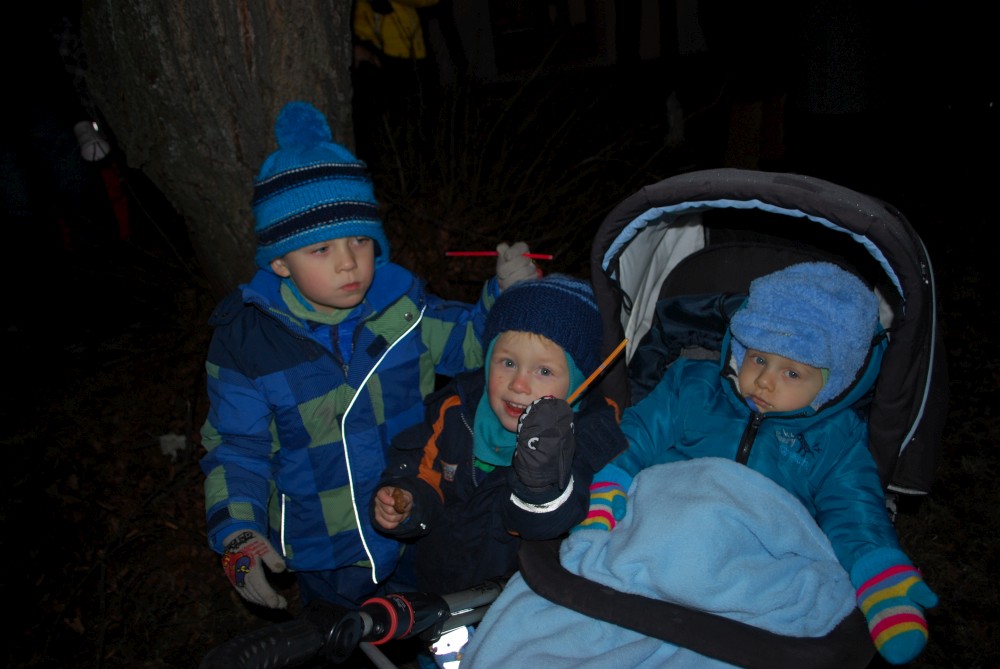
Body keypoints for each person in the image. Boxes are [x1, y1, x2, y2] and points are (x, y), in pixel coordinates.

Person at [199, 100, 538, 612]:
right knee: (348, 642)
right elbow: (236, 450)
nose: (348, 263)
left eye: (360, 240)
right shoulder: (247, 344)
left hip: (418, 525)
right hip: (323, 554)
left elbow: (473, 345)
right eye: (321, 249)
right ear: (280, 262)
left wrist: (505, 296)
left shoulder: (403, 308)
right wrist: (238, 535)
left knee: (434, 630)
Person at [588, 261, 938, 666]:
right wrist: (610, 481)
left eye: (792, 372)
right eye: (758, 359)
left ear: (835, 383)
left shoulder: (837, 438)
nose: (765, 380)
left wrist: (878, 574)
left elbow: (854, 511)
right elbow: (637, 434)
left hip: (757, 560)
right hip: (667, 527)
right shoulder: (694, 385)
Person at [370, 274, 627, 596]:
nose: (518, 384)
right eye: (507, 362)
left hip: (511, 599)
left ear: (579, 379)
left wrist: (539, 479)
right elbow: (423, 471)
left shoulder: (587, 437)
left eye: (544, 371)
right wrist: (408, 500)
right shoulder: (457, 409)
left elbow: (546, 523)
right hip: (433, 585)